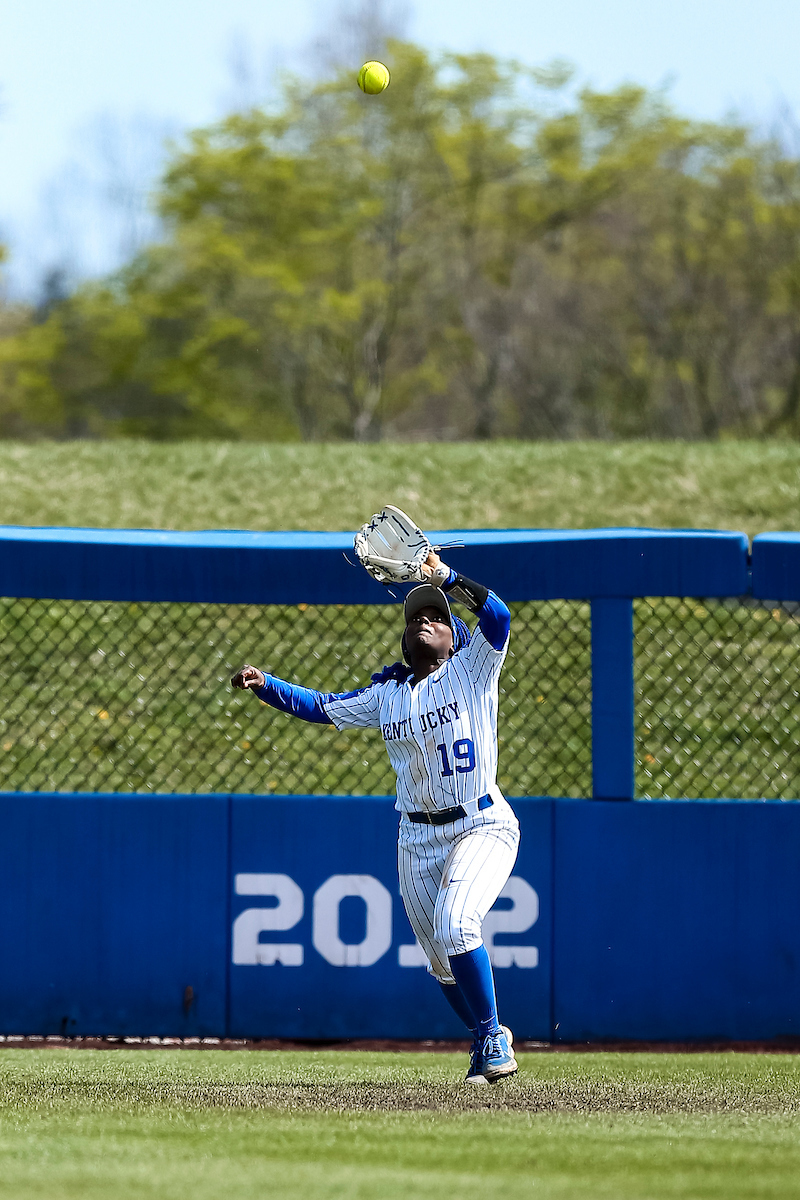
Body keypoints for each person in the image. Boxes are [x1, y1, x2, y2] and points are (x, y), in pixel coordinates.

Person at [231, 551, 520, 1084]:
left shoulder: (474, 668)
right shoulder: (387, 695)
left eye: (435, 616)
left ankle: (494, 1038)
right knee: (440, 963)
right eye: (414, 618)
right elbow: (322, 706)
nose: (424, 621)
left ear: (455, 636)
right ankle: (486, 1038)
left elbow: (499, 616)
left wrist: (447, 578)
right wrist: (265, 684)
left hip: (481, 823)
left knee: (458, 925)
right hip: (416, 836)